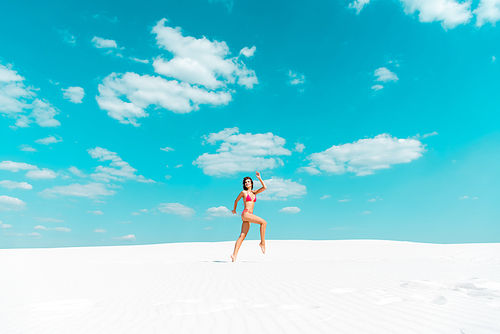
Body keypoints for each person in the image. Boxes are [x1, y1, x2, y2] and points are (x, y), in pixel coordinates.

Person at [230, 171, 267, 262]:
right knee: (263, 222)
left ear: (251, 183)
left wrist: (259, 178)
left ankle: (234, 255)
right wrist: (234, 210)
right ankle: (262, 243)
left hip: (249, 217)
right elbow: (236, 201)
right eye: (245, 182)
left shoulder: (254, 193)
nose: (247, 183)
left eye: (248, 182)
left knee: (242, 236)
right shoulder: (244, 192)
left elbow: (265, 187)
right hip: (246, 214)